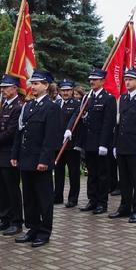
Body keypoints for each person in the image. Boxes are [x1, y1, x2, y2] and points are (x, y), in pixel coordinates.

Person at [11, 70, 61, 247]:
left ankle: (44, 232)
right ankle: (32, 228)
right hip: (26, 159)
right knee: (29, 197)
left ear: (46, 86)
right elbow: (20, 132)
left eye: (37, 83)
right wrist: (15, 154)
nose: (33, 86)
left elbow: (51, 137)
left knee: (44, 198)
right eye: (32, 83)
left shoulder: (52, 107)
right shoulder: (28, 106)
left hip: (40, 160)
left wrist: (44, 160)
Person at [108, 68, 136, 222]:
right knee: (125, 181)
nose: (127, 82)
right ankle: (125, 207)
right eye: (125, 79)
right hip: (122, 146)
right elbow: (119, 124)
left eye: (130, 79)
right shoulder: (123, 98)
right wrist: (115, 145)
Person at [71, 68, 116, 214]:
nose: (92, 81)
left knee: (102, 174)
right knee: (91, 173)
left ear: (102, 81)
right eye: (90, 79)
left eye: (95, 79)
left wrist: (103, 144)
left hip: (101, 143)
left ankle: (102, 203)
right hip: (89, 142)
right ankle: (92, 200)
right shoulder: (88, 98)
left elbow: (108, 124)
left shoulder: (108, 98)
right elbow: (83, 118)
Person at [0, 75, 24, 235]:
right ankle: (4, 219)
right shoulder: (0, 106)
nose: (3, 90)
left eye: (6, 87)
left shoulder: (18, 107)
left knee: (12, 189)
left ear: (15, 88)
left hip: (10, 154)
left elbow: (11, 132)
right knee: (0, 189)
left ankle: (16, 222)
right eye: (2, 87)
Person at [55, 79, 81, 208]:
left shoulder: (77, 104)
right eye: (63, 90)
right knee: (58, 172)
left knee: (73, 173)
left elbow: (75, 117)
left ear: (72, 91)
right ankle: (58, 196)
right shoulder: (56, 103)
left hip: (71, 144)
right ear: (60, 91)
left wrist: (69, 129)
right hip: (58, 144)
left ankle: (73, 198)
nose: (66, 92)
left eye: (68, 90)